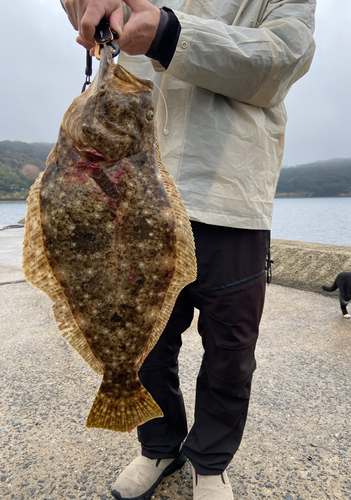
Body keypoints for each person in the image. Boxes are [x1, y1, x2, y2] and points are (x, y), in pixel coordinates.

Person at [61, 1, 316, 499]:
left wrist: (170, 33)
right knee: (145, 343)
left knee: (232, 351)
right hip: (130, 191)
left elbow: (285, 57)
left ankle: (211, 461)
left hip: (231, 194)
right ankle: (159, 446)